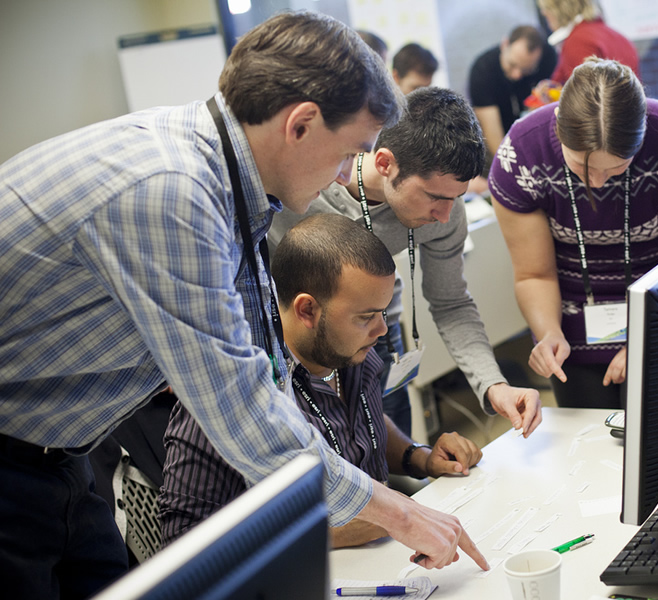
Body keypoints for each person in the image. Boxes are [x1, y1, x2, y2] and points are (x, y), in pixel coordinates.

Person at [0, 11, 487, 599]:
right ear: (302, 124)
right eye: (349, 151)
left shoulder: (235, 188)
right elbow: (242, 411)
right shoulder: (173, 192)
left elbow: (269, 373)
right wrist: (400, 514)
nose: (345, 173)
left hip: (62, 454)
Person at [161, 213, 484, 548]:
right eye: (366, 317)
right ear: (307, 311)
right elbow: (183, 542)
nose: (381, 330)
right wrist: (330, 534)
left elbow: (360, 427)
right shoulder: (233, 392)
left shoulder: (348, 348)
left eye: (382, 313)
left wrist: (420, 457)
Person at [269, 86, 543, 439]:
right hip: (296, 352)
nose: (445, 216)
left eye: (455, 198)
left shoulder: (447, 211)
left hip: (377, 341)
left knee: (390, 457)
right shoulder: (302, 194)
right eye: (434, 197)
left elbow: (451, 302)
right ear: (384, 163)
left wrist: (494, 385)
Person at [489, 58, 658, 409]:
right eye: (580, 166)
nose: (596, 181)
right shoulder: (522, 153)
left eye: (616, 168)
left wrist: (655, 340)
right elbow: (534, 273)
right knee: (589, 449)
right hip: (574, 330)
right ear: (559, 131)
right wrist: (549, 331)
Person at [468, 25, 558, 159]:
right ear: (504, 44)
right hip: (502, 138)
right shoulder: (482, 72)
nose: (517, 75)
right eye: (512, 65)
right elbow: (495, 141)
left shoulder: (548, 58)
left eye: (527, 70)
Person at [538, 0, 640, 84]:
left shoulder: (578, 41)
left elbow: (586, 99)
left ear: (559, 9)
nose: (543, 12)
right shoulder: (616, 35)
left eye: (547, 8)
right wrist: (552, 86)